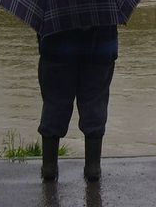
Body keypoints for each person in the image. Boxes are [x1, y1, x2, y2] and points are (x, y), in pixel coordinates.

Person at [37, 25, 118, 182]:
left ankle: (49, 167)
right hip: (100, 48)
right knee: (95, 106)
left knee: (54, 104)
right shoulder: (105, 0)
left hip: (57, 48)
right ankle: (93, 167)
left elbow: (41, 21)